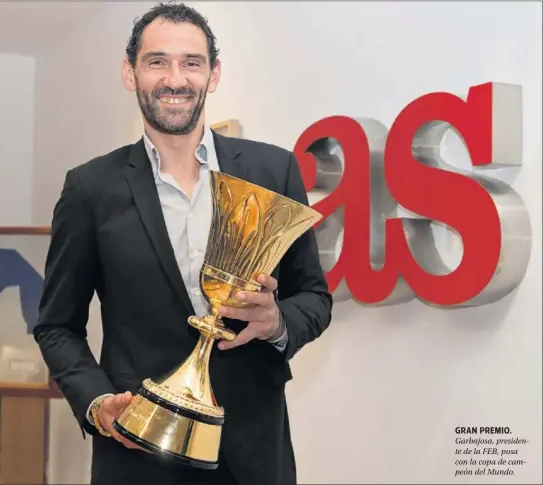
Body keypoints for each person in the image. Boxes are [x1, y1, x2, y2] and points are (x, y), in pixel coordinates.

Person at [33, 2, 333, 484]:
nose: (175, 78)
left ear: (213, 75)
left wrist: (277, 321)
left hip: (253, 453)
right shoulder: (91, 189)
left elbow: (315, 298)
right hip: (139, 448)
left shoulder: (273, 171)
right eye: (157, 61)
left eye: (191, 62)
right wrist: (97, 402)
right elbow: (56, 326)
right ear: (131, 74)